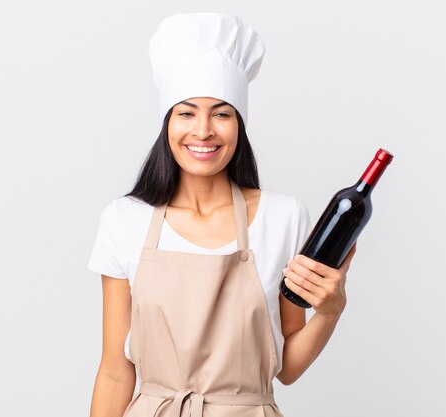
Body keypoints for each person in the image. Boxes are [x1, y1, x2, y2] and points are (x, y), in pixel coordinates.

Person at [87, 12, 357, 417]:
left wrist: (330, 311)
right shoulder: (125, 220)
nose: (203, 131)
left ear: (239, 125)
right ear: (167, 124)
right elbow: (114, 371)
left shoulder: (282, 217)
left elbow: (288, 369)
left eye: (221, 113)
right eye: (186, 113)